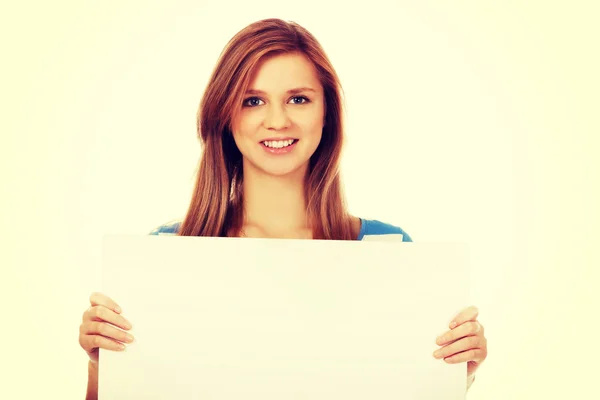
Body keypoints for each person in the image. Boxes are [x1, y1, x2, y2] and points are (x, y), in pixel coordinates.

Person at [79, 18, 488, 399]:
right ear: (225, 116)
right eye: (253, 100)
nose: (277, 120)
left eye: (298, 98)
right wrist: (105, 367)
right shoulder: (165, 254)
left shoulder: (386, 250)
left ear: (326, 113)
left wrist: (456, 373)